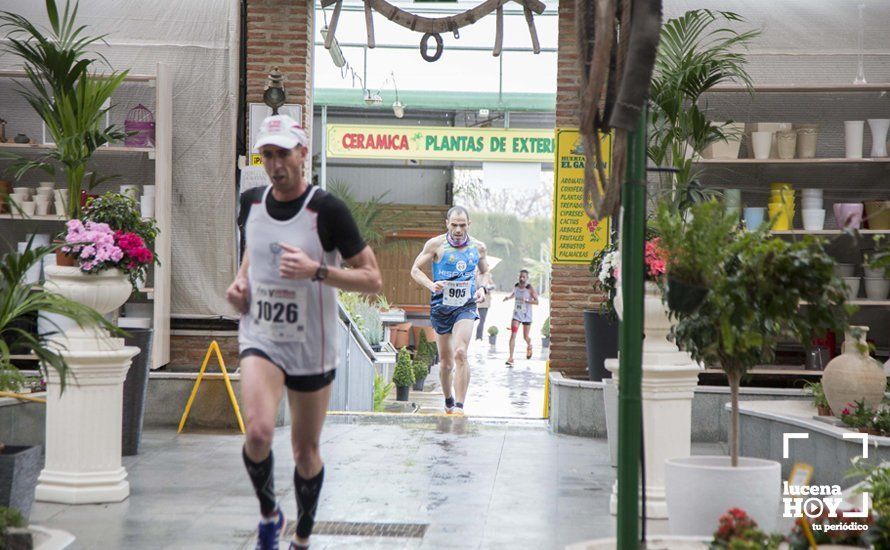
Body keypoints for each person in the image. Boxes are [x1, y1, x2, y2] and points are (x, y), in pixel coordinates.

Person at [228, 114, 382, 550]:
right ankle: (269, 515)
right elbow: (252, 254)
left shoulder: (327, 211)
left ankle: (303, 536)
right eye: (267, 155)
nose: (275, 165)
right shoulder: (251, 203)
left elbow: (372, 279)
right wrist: (242, 283)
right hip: (261, 335)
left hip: (311, 346)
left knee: (304, 451)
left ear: (303, 154)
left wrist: (317, 271)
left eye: (283, 154)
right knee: (258, 432)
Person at [410, 206, 489, 415]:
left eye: (462, 225)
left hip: (466, 306)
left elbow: (485, 272)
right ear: (447, 223)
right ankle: (448, 400)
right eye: (454, 225)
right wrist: (430, 284)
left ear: (469, 225)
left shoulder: (478, 248)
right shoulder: (436, 244)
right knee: (445, 364)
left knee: (461, 352)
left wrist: (481, 287)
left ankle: (460, 407)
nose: (458, 229)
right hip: (441, 307)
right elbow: (415, 269)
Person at [503, 269, 539, 367]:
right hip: (516, 315)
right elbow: (513, 294)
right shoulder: (516, 286)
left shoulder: (530, 288)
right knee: (513, 335)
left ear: (527, 278)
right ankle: (511, 358)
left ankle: (529, 345)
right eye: (520, 276)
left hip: (527, 316)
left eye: (524, 277)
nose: (521, 278)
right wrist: (508, 298)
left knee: (525, 337)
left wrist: (527, 300)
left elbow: (537, 302)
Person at [474, 269, 495, 342]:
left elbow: (493, 286)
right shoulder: (477, 275)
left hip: (485, 301)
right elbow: (476, 286)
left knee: (482, 319)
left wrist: (487, 288)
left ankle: (479, 337)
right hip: (480, 300)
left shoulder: (487, 275)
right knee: (481, 320)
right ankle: (478, 337)